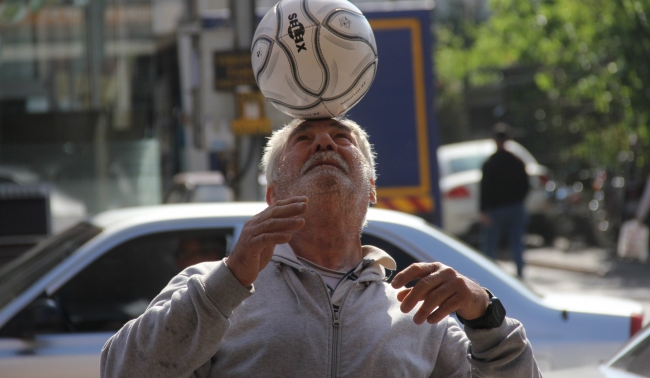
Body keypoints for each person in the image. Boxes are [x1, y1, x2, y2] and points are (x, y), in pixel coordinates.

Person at [101, 117, 541, 377]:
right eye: (303, 140)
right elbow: (120, 370)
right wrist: (228, 282)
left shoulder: (421, 313)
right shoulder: (211, 288)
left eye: (341, 137)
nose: (325, 142)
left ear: (370, 189)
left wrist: (486, 315)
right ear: (273, 195)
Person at [480, 123, 530, 278]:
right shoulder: (517, 162)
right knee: (517, 243)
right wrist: (519, 201)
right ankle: (520, 274)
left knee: (490, 246)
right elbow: (526, 186)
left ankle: (489, 277)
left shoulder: (490, 163)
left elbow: (485, 189)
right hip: (515, 208)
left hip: (496, 210)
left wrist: (484, 210)